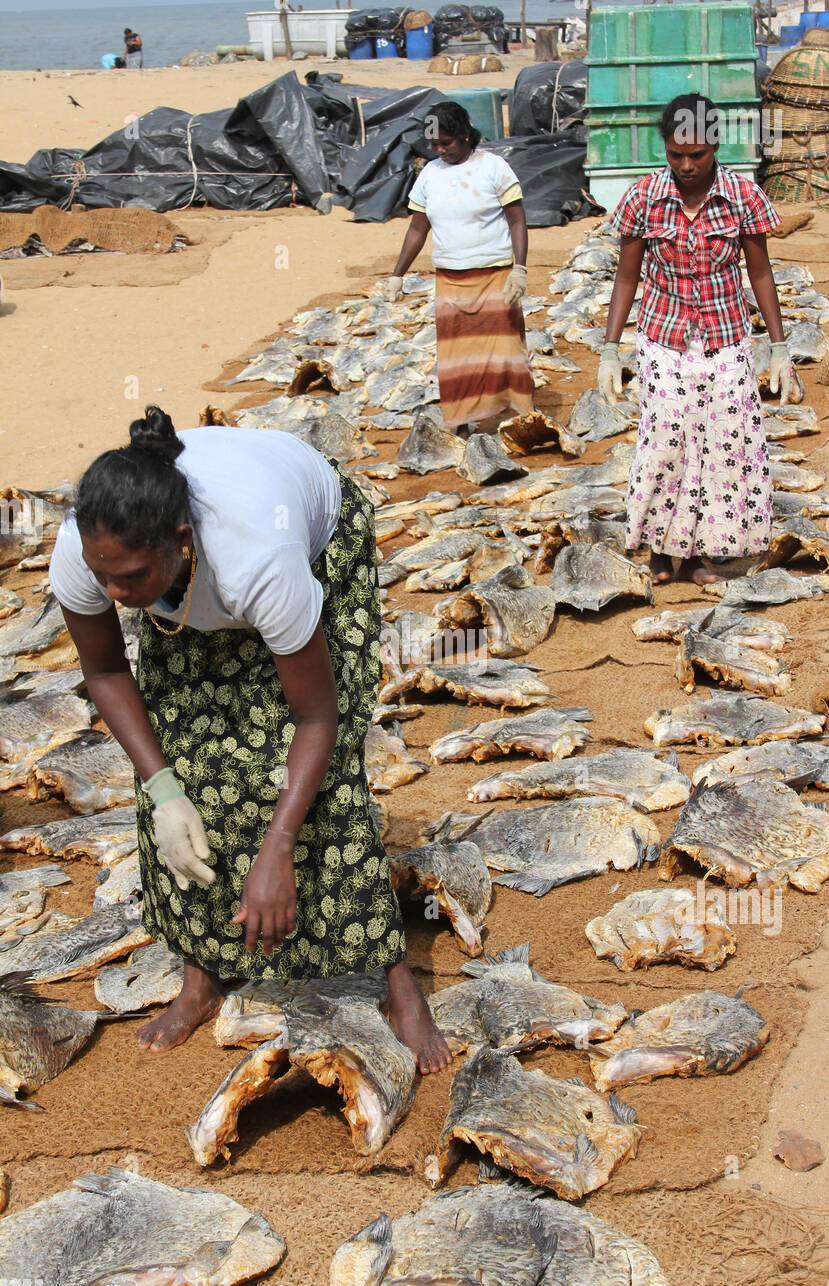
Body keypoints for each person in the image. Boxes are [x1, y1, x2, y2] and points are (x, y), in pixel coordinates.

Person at [48, 408, 452, 1074]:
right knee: (183, 757)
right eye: (105, 578)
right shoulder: (90, 553)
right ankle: (202, 975)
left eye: (132, 580)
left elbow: (318, 717)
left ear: (181, 540)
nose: (117, 596)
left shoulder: (259, 560)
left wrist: (279, 848)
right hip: (203, 576)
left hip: (315, 540)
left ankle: (399, 988)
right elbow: (105, 669)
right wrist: (163, 788)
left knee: (319, 782)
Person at [599, 92, 796, 588]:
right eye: (675, 155)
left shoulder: (743, 196)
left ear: (716, 145)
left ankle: (700, 554)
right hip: (663, 338)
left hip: (726, 340)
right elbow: (627, 278)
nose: (686, 166)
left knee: (719, 447)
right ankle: (661, 550)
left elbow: (761, 273)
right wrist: (609, 347)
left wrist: (778, 345)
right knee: (665, 439)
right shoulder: (644, 196)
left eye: (697, 155)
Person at [386, 100, 534, 439]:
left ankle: (514, 418)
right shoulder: (429, 174)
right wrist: (398, 273)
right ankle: (464, 422)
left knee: (505, 351)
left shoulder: (493, 167)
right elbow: (417, 230)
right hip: (451, 281)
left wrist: (520, 268)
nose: (440, 150)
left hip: (495, 277)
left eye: (447, 143)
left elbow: (517, 220)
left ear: (466, 134)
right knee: (459, 358)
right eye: (434, 145)